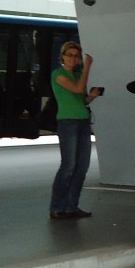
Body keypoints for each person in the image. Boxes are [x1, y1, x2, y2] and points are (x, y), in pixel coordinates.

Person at [49, 42, 103, 219]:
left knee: (82, 166)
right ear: (62, 56)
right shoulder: (58, 74)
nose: (73, 58)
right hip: (68, 123)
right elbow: (78, 88)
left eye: (75, 56)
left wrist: (91, 97)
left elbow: (81, 99)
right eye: (69, 55)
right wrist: (87, 67)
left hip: (82, 122)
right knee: (68, 165)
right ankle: (57, 206)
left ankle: (71, 206)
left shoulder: (78, 75)